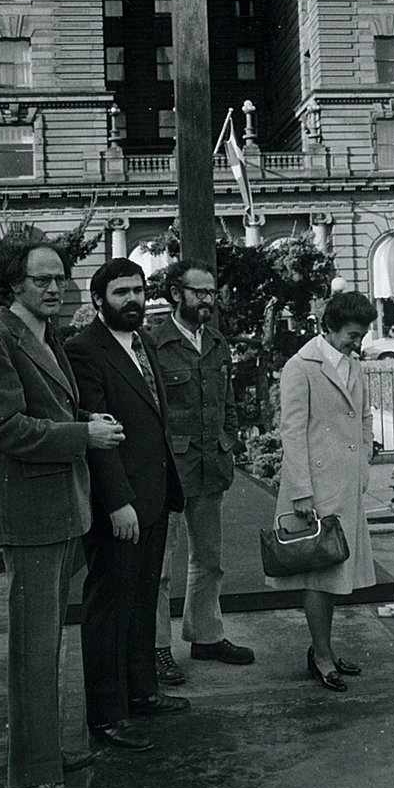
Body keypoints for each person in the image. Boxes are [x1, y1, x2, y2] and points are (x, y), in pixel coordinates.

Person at [0, 240, 125, 788]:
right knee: (35, 652)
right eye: (41, 280)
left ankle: (45, 754)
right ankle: (32, 778)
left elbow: (51, 412)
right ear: (14, 284)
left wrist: (84, 422)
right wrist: (83, 437)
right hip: (32, 517)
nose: (54, 288)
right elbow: (3, 429)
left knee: (49, 646)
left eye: (60, 278)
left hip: (62, 509)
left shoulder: (43, 335)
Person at [66, 258, 188, 754]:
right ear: (99, 300)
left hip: (154, 498)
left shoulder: (142, 343)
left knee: (141, 602)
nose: (133, 300)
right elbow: (99, 436)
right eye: (121, 292)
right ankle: (107, 715)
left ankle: (141, 692)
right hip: (121, 507)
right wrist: (118, 503)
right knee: (109, 608)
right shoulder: (85, 352)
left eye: (138, 290)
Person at [147, 259, 254, 686]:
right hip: (170, 469)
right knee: (160, 567)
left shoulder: (217, 342)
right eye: (199, 292)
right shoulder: (154, 344)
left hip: (211, 465)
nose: (208, 299)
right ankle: (157, 648)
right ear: (177, 294)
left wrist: (229, 439)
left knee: (209, 559)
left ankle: (207, 635)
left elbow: (228, 401)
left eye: (211, 292)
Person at [266, 289, 379, 692]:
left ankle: (323, 649)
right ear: (329, 329)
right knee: (319, 574)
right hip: (314, 486)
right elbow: (292, 431)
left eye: (362, 335)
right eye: (352, 335)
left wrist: (363, 462)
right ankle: (321, 655)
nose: (358, 342)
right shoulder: (302, 366)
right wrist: (300, 489)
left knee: (336, 572)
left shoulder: (353, 365)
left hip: (346, 483)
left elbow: (364, 417)